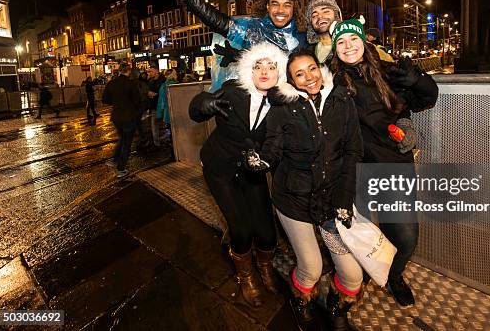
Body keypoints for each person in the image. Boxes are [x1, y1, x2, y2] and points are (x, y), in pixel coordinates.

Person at [250, 51, 364, 330]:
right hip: (294, 200)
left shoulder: (341, 100)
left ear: (320, 69)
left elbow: (353, 151)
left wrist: (344, 199)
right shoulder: (283, 107)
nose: (308, 77)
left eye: (311, 69)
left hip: (332, 202)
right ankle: (301, 298)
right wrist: (262, 161)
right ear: (291, 81)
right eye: (299, 74)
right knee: (311, 267)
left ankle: (338, 304)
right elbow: (273, 147)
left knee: (352, 276)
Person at [329, 17, 439, 307]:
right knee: (358, 236)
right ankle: (361, 276)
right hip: (353, 171)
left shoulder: (387, 71)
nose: (348, 46)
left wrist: (416, 79)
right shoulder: (332, 80)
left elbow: (428, 97)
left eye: (353, 39)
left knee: (405, 237)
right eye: (341, 42)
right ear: (335, 49)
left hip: (392, 165)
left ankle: (395, 276)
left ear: (364, 41)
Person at [188, 42, 294, 308]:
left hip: (252, 169)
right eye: (258, 66)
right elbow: (197, 107)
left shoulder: (281, 103)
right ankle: (245, 276)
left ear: (279, 71)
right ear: (250, 69)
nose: (265, 72)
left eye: (272, 66)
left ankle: (266, 269)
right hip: (219, 167)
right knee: (241, 230)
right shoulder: (234, 91)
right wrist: (204, 103)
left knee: (268, 232)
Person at [149, 0, 307, 89]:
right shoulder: (253, 30)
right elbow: (215, 20)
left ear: (294, 9)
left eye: (287, 5)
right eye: (275, 4)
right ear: (267, 6)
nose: (280, 10)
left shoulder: (302, 37)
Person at [102, 63, 141, 178]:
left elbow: (106, 100)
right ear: (128, 71)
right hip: (129, 116)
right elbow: (137, 100)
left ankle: (114, 160)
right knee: (127, 142)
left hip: (116, 116)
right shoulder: (131, 84)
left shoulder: (111, 83)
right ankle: (121, 168)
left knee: (122, 138)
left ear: (119, 71)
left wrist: (116, 102)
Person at [305, 0, 342, 64]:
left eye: (325, 11)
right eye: (314, 15)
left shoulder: (349, 46)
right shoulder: (307, 52)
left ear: (336, 15)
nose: (320, 16)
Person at [147, 66, 165, 147]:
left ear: (157, 71)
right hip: (154, 106)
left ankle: (172, 140)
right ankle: (156, 143)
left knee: (167, 123)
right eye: (149, 72)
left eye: (151, 71)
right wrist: (148, 93)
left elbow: (164, 92)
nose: (149, 73)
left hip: (162, 105)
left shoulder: (163, 80)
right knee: (154, 125)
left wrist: (156, 94)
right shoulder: (150, 81)